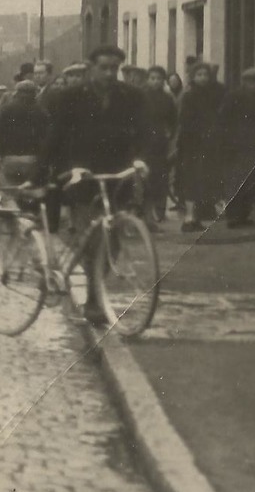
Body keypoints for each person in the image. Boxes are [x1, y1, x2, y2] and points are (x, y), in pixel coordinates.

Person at [42, 44, 151, 325]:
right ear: (91, 67)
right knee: (91, 240)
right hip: (82, 177)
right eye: (103, 67)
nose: (108, 73)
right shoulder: (70, 97)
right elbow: (56, 136)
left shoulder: (131, 97)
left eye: (113, 68)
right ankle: (93, 301)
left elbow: (142, 133)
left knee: (111, 243)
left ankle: (95, 294)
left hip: (116, 177)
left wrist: (139, 160)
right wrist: (56, 170)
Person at [172, 61, 225, 231]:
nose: (203, 78)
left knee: (202, 180)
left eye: (206, 75)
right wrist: (198, 132)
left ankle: (196, 217)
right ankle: (188, 218)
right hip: (191, 144)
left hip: (207, 144)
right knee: (190, 180)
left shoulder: (211, 95)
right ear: (193, 77)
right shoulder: (189, 95)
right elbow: (185, 121)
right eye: (199, 75)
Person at [217, 67, 255, 228]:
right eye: (253, 82)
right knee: (235, 181)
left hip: (252, 145)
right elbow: (223, 119)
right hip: (234, 145)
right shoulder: (234, 96)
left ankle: (245, 214)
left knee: (251, 180)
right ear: (245, 82)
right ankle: (233, 216)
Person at [0, 79, 49, 190]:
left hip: (10, 159)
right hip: (33, 160)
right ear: (35, 93)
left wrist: (1, 153)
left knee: (8, 194)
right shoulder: (41, 112)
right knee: (32, 195)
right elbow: (46, 137)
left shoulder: (6, 109)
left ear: (16, 92)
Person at [140, 66, 178, 224]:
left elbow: (173, 119)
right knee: (144, 178)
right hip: (144, 142)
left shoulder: (167, 98)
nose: (155, 81)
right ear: (147, 79)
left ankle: (160, 211)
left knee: (161, 177)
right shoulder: (141, 96)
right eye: (152, 78)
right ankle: (145, 213)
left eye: (159, 79)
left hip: (160, 142)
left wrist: (170, 133)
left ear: (163, 81)